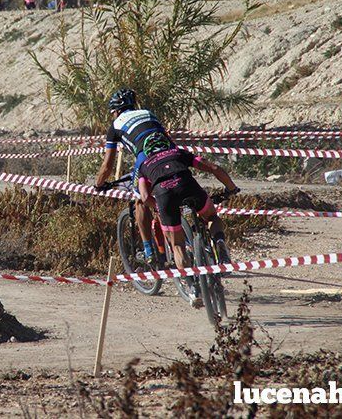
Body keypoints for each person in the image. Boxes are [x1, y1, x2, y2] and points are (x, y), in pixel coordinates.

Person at [135, 131, 239, 305]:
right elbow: (213, 168)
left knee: (177, 245)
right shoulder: (178, 153)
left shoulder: (144, 166)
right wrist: (231, 188)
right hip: (188, 186)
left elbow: (144, 198)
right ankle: (220, 244)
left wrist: (159, 208)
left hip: (164, 195)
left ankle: (193, 289)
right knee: (212, 216)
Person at [94, 89, 169, 264]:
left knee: (140, 201)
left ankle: (149, 250)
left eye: (112, 112)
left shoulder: (116, 126)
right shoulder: (148, 113)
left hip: (146, 159)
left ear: (117, 110)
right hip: (171, 154)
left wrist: (99, 184)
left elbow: (107, 166)